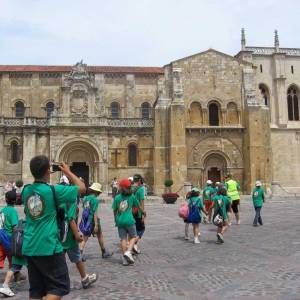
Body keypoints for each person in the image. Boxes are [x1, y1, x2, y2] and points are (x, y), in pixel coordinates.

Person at [22, 155, 86, 300]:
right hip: (49, 246)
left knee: (36, 291)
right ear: (48, 171)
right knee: (58, 288)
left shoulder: (26, 191)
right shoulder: (53, 190)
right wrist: (67, 172)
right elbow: (82, 188)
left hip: (30, 246)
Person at [61, 187, 98, 289]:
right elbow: (71, 219)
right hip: (68, 236)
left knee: (59, 258)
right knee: (77, 258)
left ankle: (58, 279)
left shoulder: (59, 201)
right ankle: (85, 279)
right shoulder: (71, 202)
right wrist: (77, 234)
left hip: (59, 236)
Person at [112, 179, 145, 266]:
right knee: (133, 237)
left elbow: (114, 210)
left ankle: (124, 260)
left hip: (120, 221)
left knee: (123, 239)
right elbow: (138, 206)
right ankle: (128, 251)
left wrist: (115, 219)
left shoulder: (117, 198)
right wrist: (143, 212)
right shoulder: (132, 197)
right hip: (130, 220)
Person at [0, 190, 27, 297]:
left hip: (1, 235)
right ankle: (14, 276)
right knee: (14, 259)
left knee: (2, 257)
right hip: (8, 237)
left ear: (6, 200)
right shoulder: (12, 211)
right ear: (15, 201)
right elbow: (15, 227)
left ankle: (17, 274)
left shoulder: (3, 210)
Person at [79, 183, 112, 259]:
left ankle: (103, 251)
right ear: (97, 192)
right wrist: (96, 224)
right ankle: (80, 253)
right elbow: (94, 212)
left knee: (89, 236)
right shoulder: (95, 200)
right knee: (95, 236)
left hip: (86, 220)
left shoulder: (85, 198)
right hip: (92, 220)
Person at [131, 174, 146, 254]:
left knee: (133, 230)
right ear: (140, 180)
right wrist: (143, 214)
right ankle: (130, 244)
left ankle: (134, 247)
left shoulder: (131, 188)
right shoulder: (141, 189)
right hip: (138, 212)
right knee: (141, 229)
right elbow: (141, 202)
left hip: (130, 212)